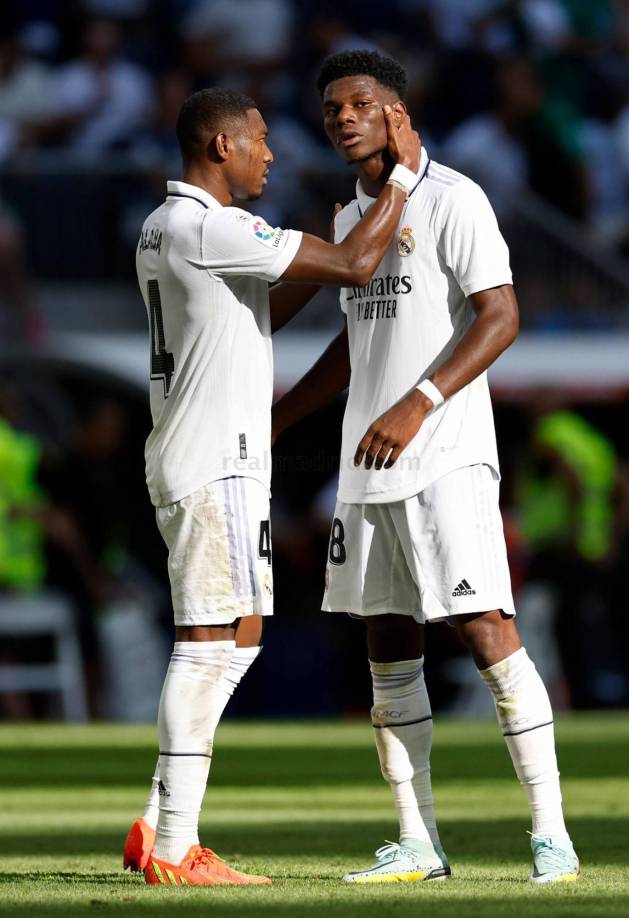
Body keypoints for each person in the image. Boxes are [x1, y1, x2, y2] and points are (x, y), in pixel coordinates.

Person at [272, 49, 580, 885]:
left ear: (396, 113)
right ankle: (417, 841)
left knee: (484, 630)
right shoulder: (351, 218)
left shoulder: (455, 197)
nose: (342, 117)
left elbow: (500, 315)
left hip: (443, 451)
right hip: (367, 462)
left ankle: (551, 835)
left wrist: (418, 402)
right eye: (330, 108)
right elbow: (354, 343)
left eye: (358, 103)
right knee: (386, 645)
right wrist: (277, 420)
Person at [125, 86, 420, 887]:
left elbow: (259, 310)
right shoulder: (213, 226)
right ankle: (176, 845)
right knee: (205, 641)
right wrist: (399, 182)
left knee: (243, 634)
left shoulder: (167, 226)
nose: (272, 153)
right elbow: (356, 265)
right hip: (213, 458)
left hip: (213, 455)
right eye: (259, 139)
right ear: (222, 146)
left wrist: (326, 246)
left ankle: (155, 817)